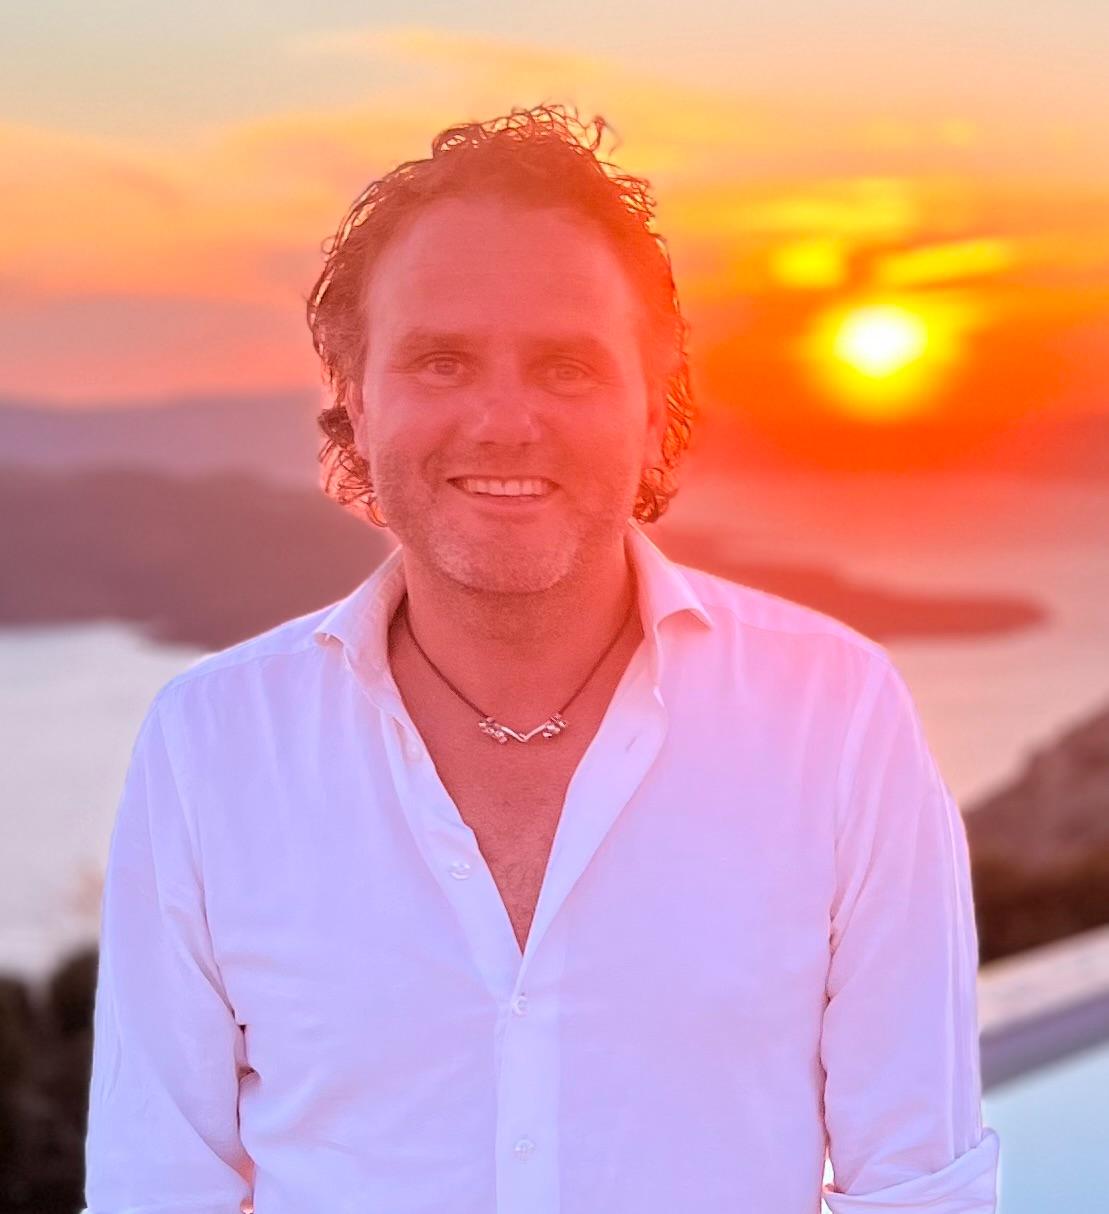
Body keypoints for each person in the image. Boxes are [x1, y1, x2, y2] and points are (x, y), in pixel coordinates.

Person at [83, 103, 1000, 1213]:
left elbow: (918, 1187)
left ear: (652, 408)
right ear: (355, 402)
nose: (503, 421)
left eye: (564, 367)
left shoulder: (833, 716)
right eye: (440, 361)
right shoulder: (214, 742)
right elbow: (156, 1187)